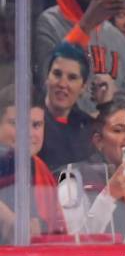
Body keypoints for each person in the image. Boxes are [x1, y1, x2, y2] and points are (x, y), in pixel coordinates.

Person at [35, 0, 125, 115]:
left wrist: (111, 104)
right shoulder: (50, 22)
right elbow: (46, 82)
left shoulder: (117, 37)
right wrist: (85, 25)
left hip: (106, 133)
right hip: (64, 130)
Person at [59, 96, 125, 242]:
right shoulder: (74, 179)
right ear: (98, 141)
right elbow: (77, 241)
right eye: (118, 130)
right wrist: (109, 195)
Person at [0, 84, 66, 244]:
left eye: (36, 125)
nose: (28, 133)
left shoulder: (40, 168)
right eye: (16, 123)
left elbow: (59, 234)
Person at [40, 42, 95, 172]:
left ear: (83, 87)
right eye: (57, 74)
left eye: (72, 77)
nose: (62, 84)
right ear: (47, 78)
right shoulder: (30, 122)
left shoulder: (89, 126)